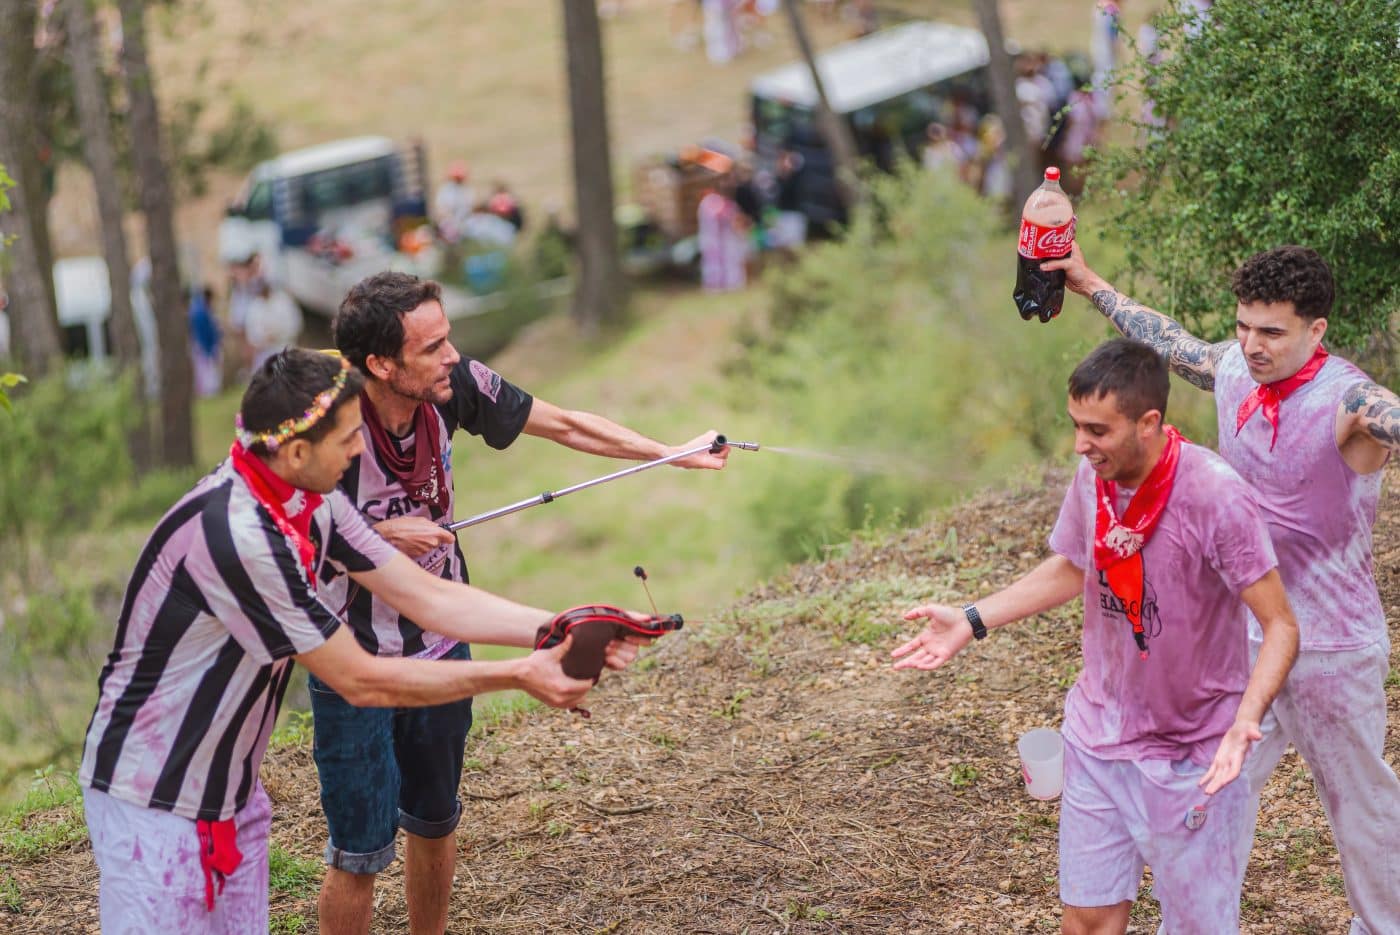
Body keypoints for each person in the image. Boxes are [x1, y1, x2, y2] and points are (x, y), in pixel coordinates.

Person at [78, 348, 647, 933]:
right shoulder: (240, 536)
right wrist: (518, 673)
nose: (360, 450)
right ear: (297, 453)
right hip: (151, 800)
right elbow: (360, 678)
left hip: (231, 797)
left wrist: (564, 625)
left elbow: (428, 597)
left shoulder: (311, 504)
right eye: (349, 438)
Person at [322, 271, 729, 935]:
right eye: (432, 347)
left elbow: (564, 424)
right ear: (381, 364)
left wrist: (668, 454)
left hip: (442, 639)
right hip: (349, 656)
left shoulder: (454, 386)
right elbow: (281, 532)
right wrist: (378, 536)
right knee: (358, 853)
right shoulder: (326, 423)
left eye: (449, 338)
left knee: (434, 819)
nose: (453, 355)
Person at [1044, 242, 1400, 933]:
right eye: (1243, 325)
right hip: (1242, 639)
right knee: (1207, 793)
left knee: (1360, 804)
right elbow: (1168, 341)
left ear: (1316, 330)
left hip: (1331, 647)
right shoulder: (1235, 366)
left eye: (1272, 331)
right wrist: (1087, 283)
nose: (1252, 344)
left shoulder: (1350, 400)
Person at [891, 339, 1298, 933]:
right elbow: (1075, 565)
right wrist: (972, 619)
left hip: (1194, 754)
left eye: (1097, 431)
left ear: (1148, 423)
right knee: (1086, 920)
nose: (1081, 445)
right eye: (1076, 426)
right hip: (1099, 736)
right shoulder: (1093, 478)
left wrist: (1245, 722)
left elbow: (1281, 624)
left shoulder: (1215, 495)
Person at [243, 279, 303, 371]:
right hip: (264, 353)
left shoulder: (284, 301)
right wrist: (263, 338)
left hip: (284, 348)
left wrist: (278, 334)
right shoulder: (255, 306)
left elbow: (295, 324)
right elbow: (252, 333)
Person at [432, 161, 475, 245]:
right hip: (449, 223)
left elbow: (469, 208)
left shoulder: (466, 190)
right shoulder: (446, 190)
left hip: (464, 223)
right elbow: (442, 210)